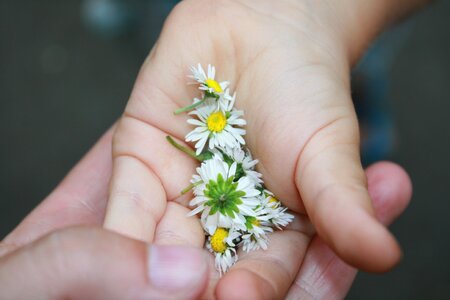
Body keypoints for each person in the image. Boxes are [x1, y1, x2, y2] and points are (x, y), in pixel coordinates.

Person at [0, 0, 428, 298]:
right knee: (158, 31)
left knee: (350, 88)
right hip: (189, 26)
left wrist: (311, 15)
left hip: (331, 30)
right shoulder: (202, 96)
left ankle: (358, 127)